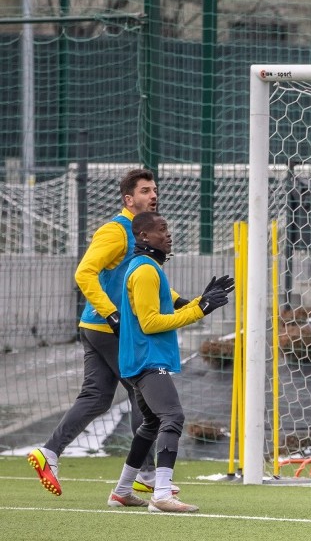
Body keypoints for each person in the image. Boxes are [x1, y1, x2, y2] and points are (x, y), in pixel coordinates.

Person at [28, 168, 177, 497]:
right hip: (109, 328)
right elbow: (84, 273)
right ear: (129, 199)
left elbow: (140, 280)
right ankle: (149, 474)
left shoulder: (140, 232)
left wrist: (184, 302)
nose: (153, 195)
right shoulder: (116, 231)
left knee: (96, 398)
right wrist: (111, 313)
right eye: (145, 191)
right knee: (145, 395)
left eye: (154, 189)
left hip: (97, 328)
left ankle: (48, 452)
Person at [106, 211, 233, 512]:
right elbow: (150, 323)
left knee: (151, 423)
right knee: (172, 417)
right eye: (162, 229)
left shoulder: (148, 267)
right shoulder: (146, 271)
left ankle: (122, 491)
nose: (168, 234)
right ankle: (161, 493)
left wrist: (201, 301)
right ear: (144, 237)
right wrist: (200, 309)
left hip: (141, 358)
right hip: (148, 359)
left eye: (168, 228)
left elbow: (168, 307)